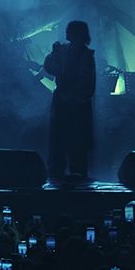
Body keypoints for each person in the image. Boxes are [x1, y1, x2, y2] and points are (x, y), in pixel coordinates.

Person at [42, 21, 96, 184]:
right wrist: (54, 54)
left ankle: (77, 172)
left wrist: (77, 97)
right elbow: (50, 68)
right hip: (63, 101)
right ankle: (56, 172)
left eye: (70, 30)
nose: (66, 33)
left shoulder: (86, 55)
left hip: (77, 103)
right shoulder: (63, 50)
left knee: (77, 140)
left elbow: (88, 82)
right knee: (58, 139)